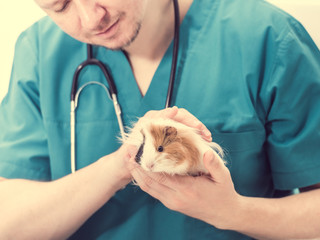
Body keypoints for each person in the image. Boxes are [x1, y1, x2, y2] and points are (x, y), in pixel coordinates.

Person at [0, 0, 320, 239]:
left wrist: (233, 212)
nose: (92, 17)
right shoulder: (41, 52)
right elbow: (9, 222)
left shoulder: (267, 39)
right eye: (60, 5)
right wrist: (119, 166)